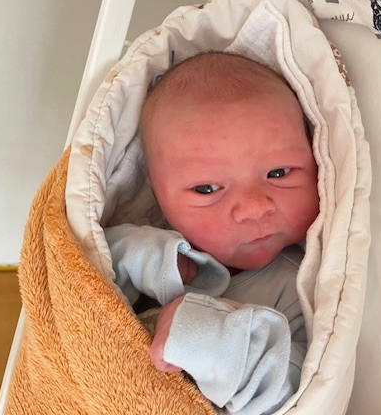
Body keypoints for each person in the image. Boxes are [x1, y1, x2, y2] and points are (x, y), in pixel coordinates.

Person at [104, 51, 319, 414]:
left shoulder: (299, 285)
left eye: (279, 173)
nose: (254, 208)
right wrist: (155, 259)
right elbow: (89, 272)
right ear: (159, 196)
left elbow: (295, 395)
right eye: (207, 189)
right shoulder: (154, 244)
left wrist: (206, 336)